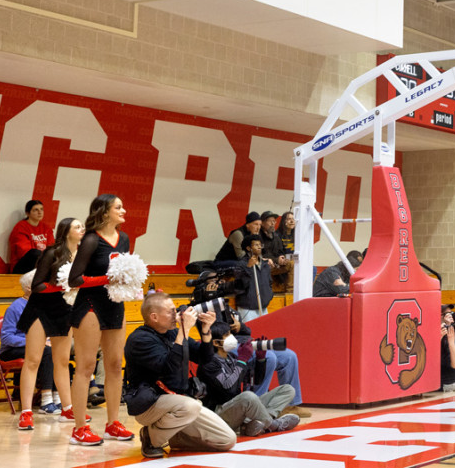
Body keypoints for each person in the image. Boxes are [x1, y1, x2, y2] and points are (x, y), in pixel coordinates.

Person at [123, 292, 235, 457]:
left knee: (227, 440)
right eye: (170, 311)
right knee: (192, 406)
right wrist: (184, 330)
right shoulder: (139, 340)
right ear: (154, 317)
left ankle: (172, 436)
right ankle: (151, 437)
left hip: (178, 401)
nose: (176, 315)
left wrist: (205, 331)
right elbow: (169, 368)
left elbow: (204, 358)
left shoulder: (172, 333)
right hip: (149, 404)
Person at [66, 194, 133, 445]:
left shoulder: (124, 238)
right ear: (104, 212)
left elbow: (122, 270)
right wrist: (106, 280)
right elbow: (74, 279)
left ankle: (113, 424)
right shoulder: (91, 240)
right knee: (85, 367)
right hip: (90, 305)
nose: (123, 210)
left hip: (115, 305)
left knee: (115, 365)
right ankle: (79, 428)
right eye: (118, 207)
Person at [14, 217, 85, 429]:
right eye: (77, 226)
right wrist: (62, 286)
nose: (82, 229)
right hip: (40, 309)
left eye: (82, 226)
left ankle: (67, 408)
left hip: (64, 311)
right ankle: (26, 413)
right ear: (66, 232)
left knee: (62, 361)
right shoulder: (52, 252)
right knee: (33, 360)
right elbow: (36, 285)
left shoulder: (83, 257)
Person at [197, 321, 299, 437]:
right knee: (248, 397)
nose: (231, 337)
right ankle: (274, 425)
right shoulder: (208, 364)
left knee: (287, 389)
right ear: (215, 342)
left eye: (230, 333)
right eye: (226, 335)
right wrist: (242, 360)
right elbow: (228, 388)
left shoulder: (231, 357)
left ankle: (255, 424)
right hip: (220, 414)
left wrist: (261, 360)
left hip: (240, 409)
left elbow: (257, 381)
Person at [2, 272, 59, 425]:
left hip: (36, 346)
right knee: (45, 351)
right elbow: (7, 337)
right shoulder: (15, 307)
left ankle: (57, 396)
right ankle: (46, 401)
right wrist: (33, 342)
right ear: (28, 288)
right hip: (11, 350)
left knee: (56, 350)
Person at [8, 200, 54, 275]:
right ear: (27, 213)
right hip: (23, 266)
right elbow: (24, 252)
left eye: (41, 209)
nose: (40, 212)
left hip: (42, 264)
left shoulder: (46, 228)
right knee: (35, 253)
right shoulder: (21, 227)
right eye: (36, 210)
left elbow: (51, 248)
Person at [235, 234, 273, 323]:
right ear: (248, 248)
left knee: (264, 334)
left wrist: (268, 295)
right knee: (249, 335)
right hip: (247, 308)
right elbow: (240, 284)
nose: (259, 247)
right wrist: (249, 267)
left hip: (263, 306)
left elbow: (269, 282)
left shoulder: (265, 264)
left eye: (260, 245)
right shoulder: (241, 265)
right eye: (256, 245)